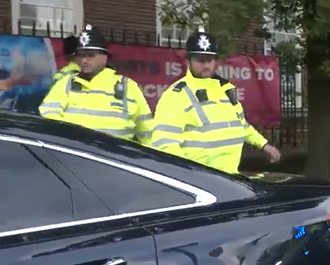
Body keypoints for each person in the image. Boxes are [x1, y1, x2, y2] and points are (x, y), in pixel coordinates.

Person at [151, 28, 281, 173]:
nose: (206, 65)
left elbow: (241, 125)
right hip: (200, 181)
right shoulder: (176, 95)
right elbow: (165, 145)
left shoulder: (225, 90)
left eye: (209, 60)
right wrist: (189, 175)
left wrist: (263, 145)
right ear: (188, 62)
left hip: (230, 177)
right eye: (200, 60)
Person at [39, 25, 155, 145]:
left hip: (116, 158)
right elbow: (49, 118)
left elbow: (148, 132)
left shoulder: (127, 87)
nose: (84, 60)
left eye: (90, 55)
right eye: (82, 55)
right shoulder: (66, 84)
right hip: (74, 157)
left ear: (104, 58)